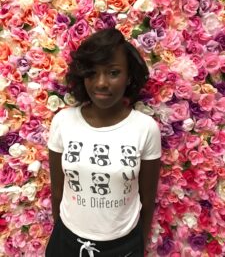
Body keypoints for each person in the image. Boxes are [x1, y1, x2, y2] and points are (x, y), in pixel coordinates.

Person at [46, 28, 161, 257]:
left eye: (113, 72)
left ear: (128, 77)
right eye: (92, 73)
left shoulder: (145, 128)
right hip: (67, 241)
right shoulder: (63, 122)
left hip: (123, 246)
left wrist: (140, 246)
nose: (101, 83)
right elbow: (58, 190)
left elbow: (147, 199)